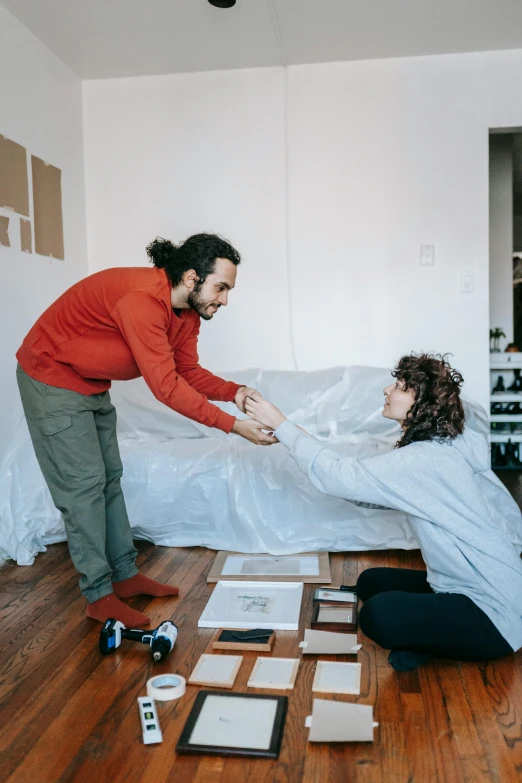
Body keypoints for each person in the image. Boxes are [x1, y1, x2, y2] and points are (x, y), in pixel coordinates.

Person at [16, 233, 276, 626]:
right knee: (83, 487)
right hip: (51, 378)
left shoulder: (187, 313)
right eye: (221, 287)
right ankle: (98, 595)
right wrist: (234, 426)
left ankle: (124, 575)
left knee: (110, 479)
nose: (224, 299)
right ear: (191, 278)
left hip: (90, 382)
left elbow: (186, 371)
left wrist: (233, 392)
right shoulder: (141, 301)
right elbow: (166, 387)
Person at [245, 353, 522, 671]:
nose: (388, 390)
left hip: (495, 616)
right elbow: (362, 486)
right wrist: (299, 441)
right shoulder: (445, 444)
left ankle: (425, 640)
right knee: (370, 581)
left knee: (378, 614)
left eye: (401, 386)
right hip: (474, 584)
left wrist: (280, 423)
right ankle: (426, 638)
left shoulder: (423, 459)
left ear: (421, 402)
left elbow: (340, 477)